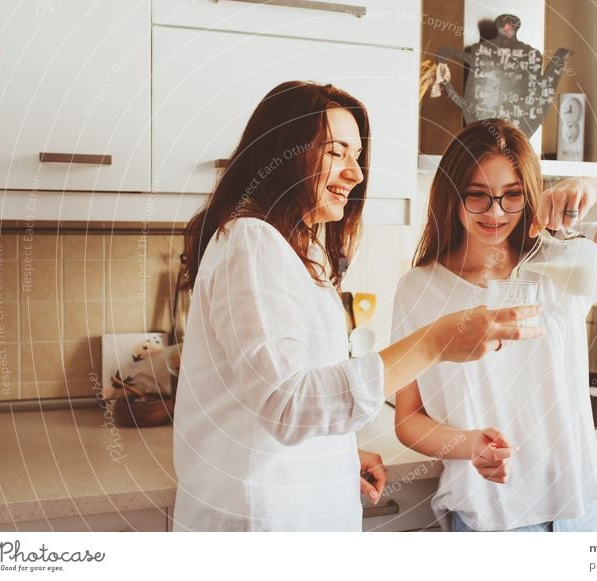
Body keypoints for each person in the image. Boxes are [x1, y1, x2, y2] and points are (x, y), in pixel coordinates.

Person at [171, 83, 543, 532]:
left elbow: (298, 388)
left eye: (357, 156)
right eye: (336, 152)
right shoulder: (251, 242)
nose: (356, 173)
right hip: (261, 523)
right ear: (284, 152)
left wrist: (338, 454)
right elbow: (286, 404)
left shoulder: (297, 251)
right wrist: (435, 342)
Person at [392, 118, 597, 532]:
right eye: (478, 196)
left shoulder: (562, 256)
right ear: (452, 196)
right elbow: (407, 418)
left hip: (579, 514)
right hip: (492, 522)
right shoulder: (419, 289)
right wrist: (469, 446)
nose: (496, 212)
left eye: (511, 196)